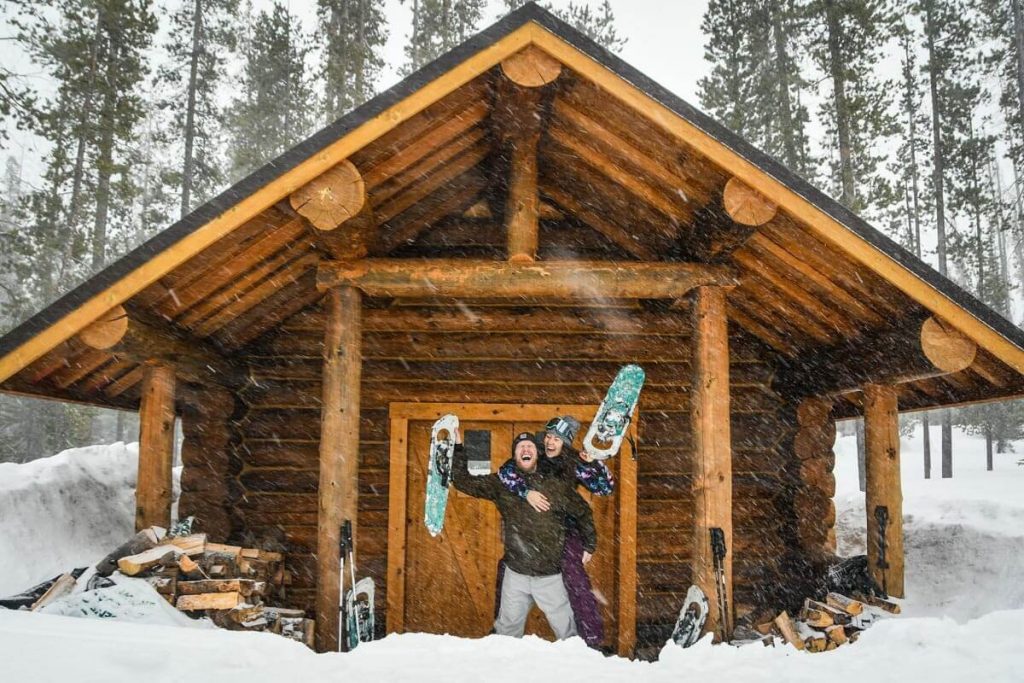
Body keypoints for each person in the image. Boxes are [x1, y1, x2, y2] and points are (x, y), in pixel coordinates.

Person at [452, 429, 597, 640]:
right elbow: (464, 482)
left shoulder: (554, 485)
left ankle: (573, 670)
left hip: (550, 575)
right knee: (507, 632)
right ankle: (504, 670)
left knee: (567, 633)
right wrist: (458, 448)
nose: (526, 449)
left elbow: (583, 511)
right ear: (515, 455)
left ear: (537, 454)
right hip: (516, 573)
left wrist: (589, 544)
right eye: (521, 447)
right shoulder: (502, 485)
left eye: (530, 446)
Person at [495, 415, 614, 647]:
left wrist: (593, 463)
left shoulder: (575, 462)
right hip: (537, 531)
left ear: (566, 442)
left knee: (576, 581)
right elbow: (506, 471)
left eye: (557, 439)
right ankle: (501, 635)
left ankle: (590, 640)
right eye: (549, 436)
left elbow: (605, 488)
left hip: (567, 531)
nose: (551, 442)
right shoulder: (536, 453)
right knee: (508, 568)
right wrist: (525, 492)